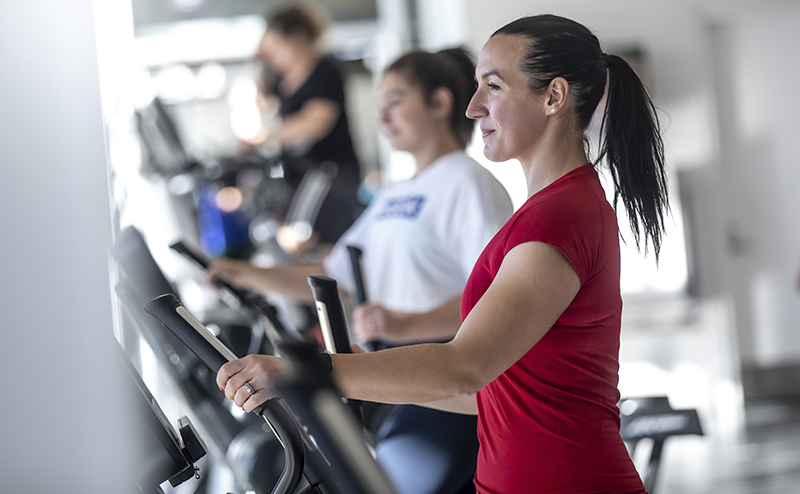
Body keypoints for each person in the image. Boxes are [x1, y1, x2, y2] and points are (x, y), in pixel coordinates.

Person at [217, 13, 669, 494]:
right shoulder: (549, 210)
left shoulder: (557, 217)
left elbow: (464, 370)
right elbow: (487, 392)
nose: (474, 108)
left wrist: (311, 374)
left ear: (554, 97)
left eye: (493, 87)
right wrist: (351, 371)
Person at [210, 47, 514, 493]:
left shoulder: (468, 183)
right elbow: (331, 275)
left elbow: (496, 302)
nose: (383, 117)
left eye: (395, 101)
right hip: (393, 371)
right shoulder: (395, 195)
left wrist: (404, 321)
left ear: (440, 102)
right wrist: (240, 274)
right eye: (379, 107)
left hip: (449, 377)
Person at [249, 2, 363, 252]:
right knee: (276, 232)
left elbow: (315, 124)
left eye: (279, 46)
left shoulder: (325, 71)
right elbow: (263, 106)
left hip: (331, 172)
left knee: (300, 239)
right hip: (301, 174)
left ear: (298, 38)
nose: (276, 55)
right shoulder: (282, 80)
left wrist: (265, 136)